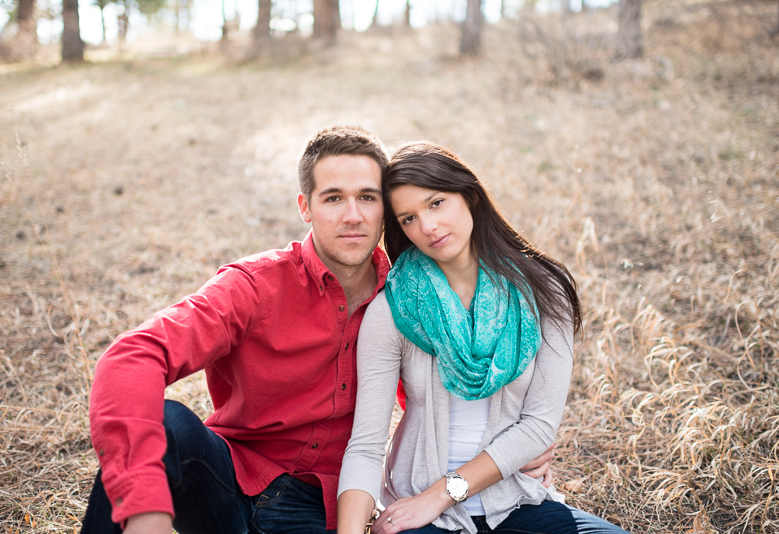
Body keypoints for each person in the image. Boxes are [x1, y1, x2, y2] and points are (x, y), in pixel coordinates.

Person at [79, 125, 560, 534]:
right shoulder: (253, 287)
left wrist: (523, 445)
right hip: (230, 481)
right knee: (169, 424)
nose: (352, 215)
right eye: (333, 198)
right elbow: (133, 357)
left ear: (383, 211)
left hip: (321, 511)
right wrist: (145, 508)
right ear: (305, 207)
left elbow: (435, 393)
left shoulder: (409, 298)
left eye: (367, 198)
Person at [337, 141, 630, 534]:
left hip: (516, 501)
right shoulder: (393, 310)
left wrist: (442, 493)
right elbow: (366, 445)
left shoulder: (542, 292)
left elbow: (538, 426)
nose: (427, 227)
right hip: (420, 514)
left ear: (470, 197)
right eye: (408, 218)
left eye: (436, 203)